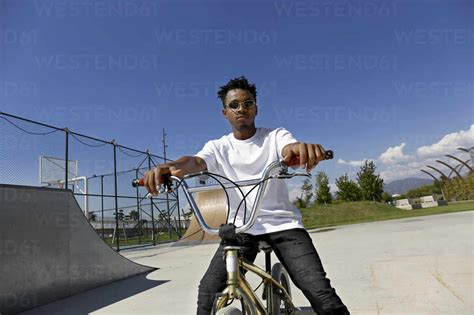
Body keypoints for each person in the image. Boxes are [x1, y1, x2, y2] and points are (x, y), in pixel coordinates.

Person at [144, 76, 349, 315]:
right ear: (225, 113)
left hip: (283, 224)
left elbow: (288, 149)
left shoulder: (275, 136)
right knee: (207, 293)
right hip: (241, 230)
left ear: (256, 108)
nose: (241, 108)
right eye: (234, 105)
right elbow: (194, 161)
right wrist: (169, 167)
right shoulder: (217, 147)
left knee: (318, 289)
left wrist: (299, 150)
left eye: (248, 103)